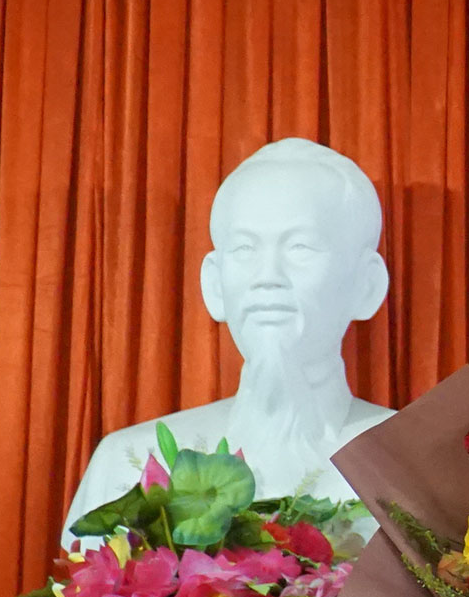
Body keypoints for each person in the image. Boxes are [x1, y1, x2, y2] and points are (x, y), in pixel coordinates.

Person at [64, 137, 394, 526]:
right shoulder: (125, 467)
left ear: (366, 286)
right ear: (214, 284)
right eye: (244, 249)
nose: (268, 276)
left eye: (301, 247)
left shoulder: (417, 465)